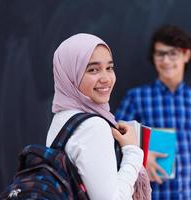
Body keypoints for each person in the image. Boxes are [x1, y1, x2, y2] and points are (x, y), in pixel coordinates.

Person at [115, 25, 191, 199]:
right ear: (154, 58)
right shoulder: (137, 98)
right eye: (160, 54)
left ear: (186, 55)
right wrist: (141, 159)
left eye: (173, 53)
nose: (166, 60)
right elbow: (115, 138)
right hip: (155, 195)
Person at [46, 33, 151, 200]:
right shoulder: (93, 127)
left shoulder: (62, 118)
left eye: (109, 68)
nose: (106, 79)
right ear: (70, 75)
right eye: (92, 70)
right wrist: (133, 152)